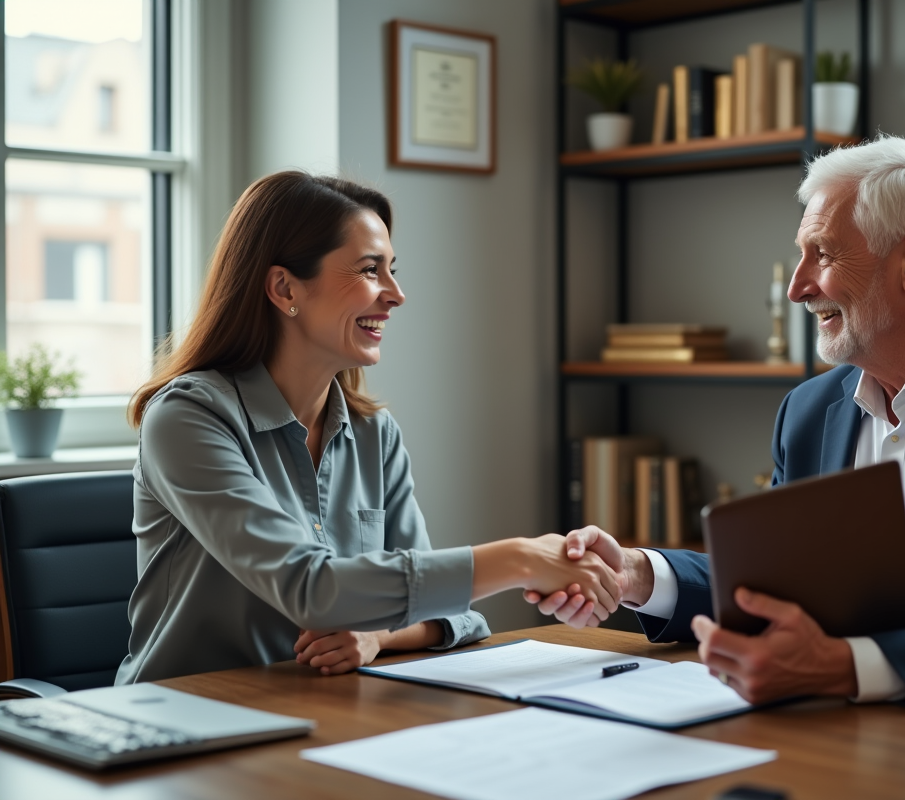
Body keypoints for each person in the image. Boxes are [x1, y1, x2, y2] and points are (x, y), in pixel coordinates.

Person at [528, 135, 905, 711]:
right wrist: (637, 573)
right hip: (849, 739)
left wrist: (843, 667)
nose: (796, 287)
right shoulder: (808, 413)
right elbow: (777, 584)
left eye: (824, 254)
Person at [117, 172, 621, 684]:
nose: (396, 294)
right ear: (284, 287)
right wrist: (520, 558)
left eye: (392, 270)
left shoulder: (373, 432)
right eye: (369, 270)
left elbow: (452, 612)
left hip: (319, 714)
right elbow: (311, 590)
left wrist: (378, 635)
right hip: (182, 724)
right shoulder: (186, 418)